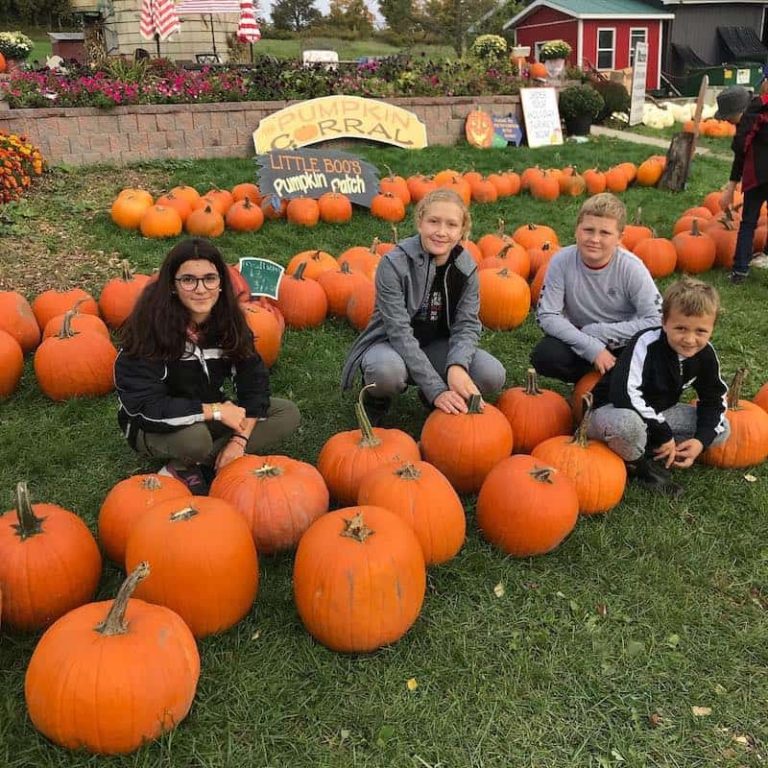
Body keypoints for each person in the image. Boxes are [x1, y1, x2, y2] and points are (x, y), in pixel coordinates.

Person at [114, 238, 300, 493]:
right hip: (152, 425)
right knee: (196, 440)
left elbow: (254, 382)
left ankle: (200, 465)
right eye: (189, 280)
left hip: (209, 412)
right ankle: (186, 465)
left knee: (285, 413)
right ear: (172, 285)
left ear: (221, 283)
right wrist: (215, 410)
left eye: (210, 279)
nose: (201, 289)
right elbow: (146, 408)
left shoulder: (228, 322)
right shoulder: (148, 330)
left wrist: (239, 441)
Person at [340, 188, 506, 422]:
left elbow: (467, 324)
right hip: (390, 345)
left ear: (462, 232)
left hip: (435, 346)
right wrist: (436, 388)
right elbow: (399, 332)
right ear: (420, 223)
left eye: (451, 225)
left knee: (491, 374)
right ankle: (377, 399)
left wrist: (457, 365)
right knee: (386, 373)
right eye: (433, 222)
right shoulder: (393, 264)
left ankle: (429, 399)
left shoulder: (466, 268)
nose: (441, 232)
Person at [587, 277, 730, 496]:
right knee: (629, 425)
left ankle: (646, 449)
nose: (690, 339)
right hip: (609, 411)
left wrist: (700, 441)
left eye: (700, 331)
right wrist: (663, 433)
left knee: (720, 429)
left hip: (658, 414)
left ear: (712, 328)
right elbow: (625, 394)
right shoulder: (645, 343)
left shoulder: (706, 354)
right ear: (664, 322)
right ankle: (640, 468)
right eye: (681, 328)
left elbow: (714, 398)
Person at [531, 192, 662, 383]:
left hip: (622, 339)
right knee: (545, 355)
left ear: (619, 237)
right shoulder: (561, 261)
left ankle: (612, 377)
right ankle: (595, 378)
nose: (595, 239)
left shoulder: (632, 268)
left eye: (605, 233)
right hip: (580, 337)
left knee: (654, 359)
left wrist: (600, 332)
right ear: (577, 230)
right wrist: (593, 348)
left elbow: (657, 320)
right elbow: (548, 315)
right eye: (588, 230)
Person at [718, 78, 768, 284]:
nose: (727, 122)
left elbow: (740, 156)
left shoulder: (746, 124)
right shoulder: (762, 111)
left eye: (728, 118)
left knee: (748, 222)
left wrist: (731, 187)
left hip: (757, 178)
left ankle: (740, 271)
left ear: (735, 113)